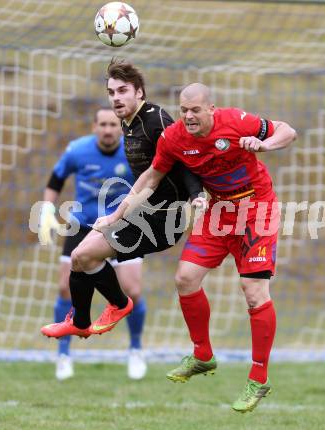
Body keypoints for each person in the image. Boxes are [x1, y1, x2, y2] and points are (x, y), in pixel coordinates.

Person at [93, 83, 297, 413]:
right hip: (217, 211)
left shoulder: (236, 121)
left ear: (211, 109)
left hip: (257, 209)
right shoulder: (174, 137)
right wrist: (116, 215)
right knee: (185, 279)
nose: (187, 116)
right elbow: (150, 178)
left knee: (254, 291)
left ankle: (258, 378)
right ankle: (202, 354)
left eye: (195, 110)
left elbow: (288, 131)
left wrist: (264, 144)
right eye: (183, 109)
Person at [40, 61, 204, 362]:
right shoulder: (129, 124)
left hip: (164, 218)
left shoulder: (155, 120)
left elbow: (186, 158)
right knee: (80, 256)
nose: (116, 97)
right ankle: (82, 322)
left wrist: (196, 195)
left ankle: (117, 309)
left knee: (90, 259)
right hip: (145, 212)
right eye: (111, 92)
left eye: (123, 91)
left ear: (139, 92)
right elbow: (150, 176)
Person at [39, 107, 147, 380]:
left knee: (132, 290)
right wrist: (46, 210)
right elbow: (55, 179)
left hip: (123, 225)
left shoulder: (133, 151)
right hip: (82, 225)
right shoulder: (77, 150)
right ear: (94, 126)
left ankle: (135, 349)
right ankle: (64, 354)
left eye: (113, 124)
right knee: (65, 288)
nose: (108, 130)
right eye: (103, 124)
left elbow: (151, 179)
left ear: (120, 127)